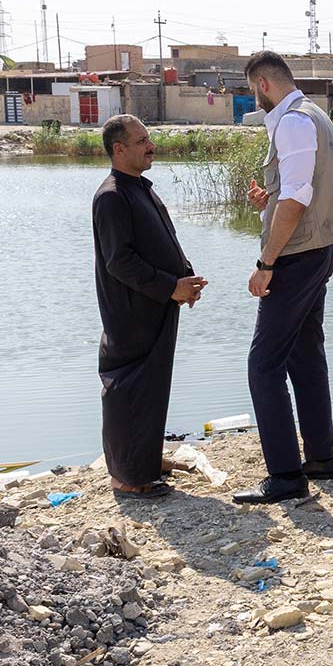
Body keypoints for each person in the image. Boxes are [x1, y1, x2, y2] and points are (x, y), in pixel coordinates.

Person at [232, 50, 333, 505]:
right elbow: (300, 190)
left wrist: (266, 263)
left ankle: (285, 475)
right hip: (316, 251)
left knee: (263, 365)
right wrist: (272, 199)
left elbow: (299, 197)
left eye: (251, 91)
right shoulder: (311, 116)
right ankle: (320, 458)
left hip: (298, 257)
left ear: (263, 84)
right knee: (304, 354)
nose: (253, 99)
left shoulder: (294, 122)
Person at [91, 115, 207, 499]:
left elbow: (164, 242)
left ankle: (147, 459)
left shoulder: (140, 188)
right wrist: (170, 286)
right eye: (141, 141)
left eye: (149, 139)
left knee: (153, 388)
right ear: (119, 149)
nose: (150, 146)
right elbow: (119, 261)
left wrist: (185, 281)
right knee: (129, 390)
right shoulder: (111, 196)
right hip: (130, 314)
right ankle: (127, 476)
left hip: (156, 306)